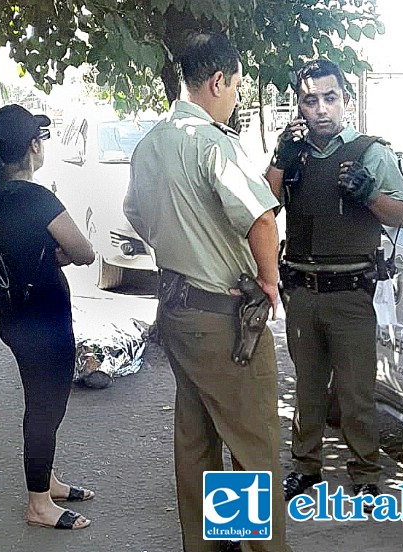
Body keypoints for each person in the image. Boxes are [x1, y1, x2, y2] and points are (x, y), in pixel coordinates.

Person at [124, 33, 292, 552]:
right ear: (217, 81)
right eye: (238, 86)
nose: (238, 97)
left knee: (197, 437)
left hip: (175, 307)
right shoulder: (212, 142)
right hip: (224, 317)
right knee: (251, 445)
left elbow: (135, 215)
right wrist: (268, 281)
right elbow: (262, 216)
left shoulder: (151, 142)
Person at [264, 59, 403, 504]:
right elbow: (261, 208)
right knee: (306, 390)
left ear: (345, 101)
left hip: (351, 294)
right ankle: (305, 466)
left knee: (356, 393)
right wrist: (279, 160)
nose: (321, 109)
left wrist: (369, 194)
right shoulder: (292, 153)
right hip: (302, 293)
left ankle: (366, 472)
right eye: (310, 100)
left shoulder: (371, 152)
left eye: (330, 98)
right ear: (299, 105)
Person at [0, 104, 96, 530]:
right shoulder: (37, 198)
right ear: (33, 147)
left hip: (16, 319)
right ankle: (39, 503)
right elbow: (84, 252)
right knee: (45, 409)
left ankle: (47, 480)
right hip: (44, 319)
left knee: (40, 405)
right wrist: (59, 255)